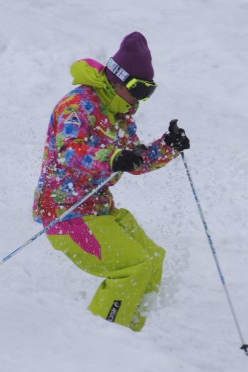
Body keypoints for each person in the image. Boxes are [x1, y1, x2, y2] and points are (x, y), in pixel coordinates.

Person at [32, 32, 190, 332]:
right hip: (67, 214)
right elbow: (69, 152)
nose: (142, 99)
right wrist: (113, 156)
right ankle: (99, 343)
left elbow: (133, 162)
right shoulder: (78, 105)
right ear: (120, 80)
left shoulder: (121, 114)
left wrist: (167, 146)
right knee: (133, 266)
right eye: (140, 90)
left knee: (153, 259)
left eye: (149, 92)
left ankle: (127, 339)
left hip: (100, 211)